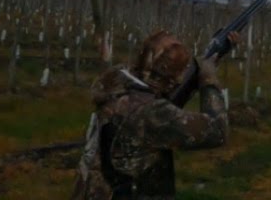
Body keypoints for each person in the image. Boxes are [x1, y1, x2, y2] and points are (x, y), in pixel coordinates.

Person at [73, 29, 240, 199]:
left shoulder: (118, 84)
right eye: (181, 71)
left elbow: (164, 97)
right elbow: (217, 131)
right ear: (170, 79)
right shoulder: (151, 113)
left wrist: (213, 58)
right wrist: (209, 78)